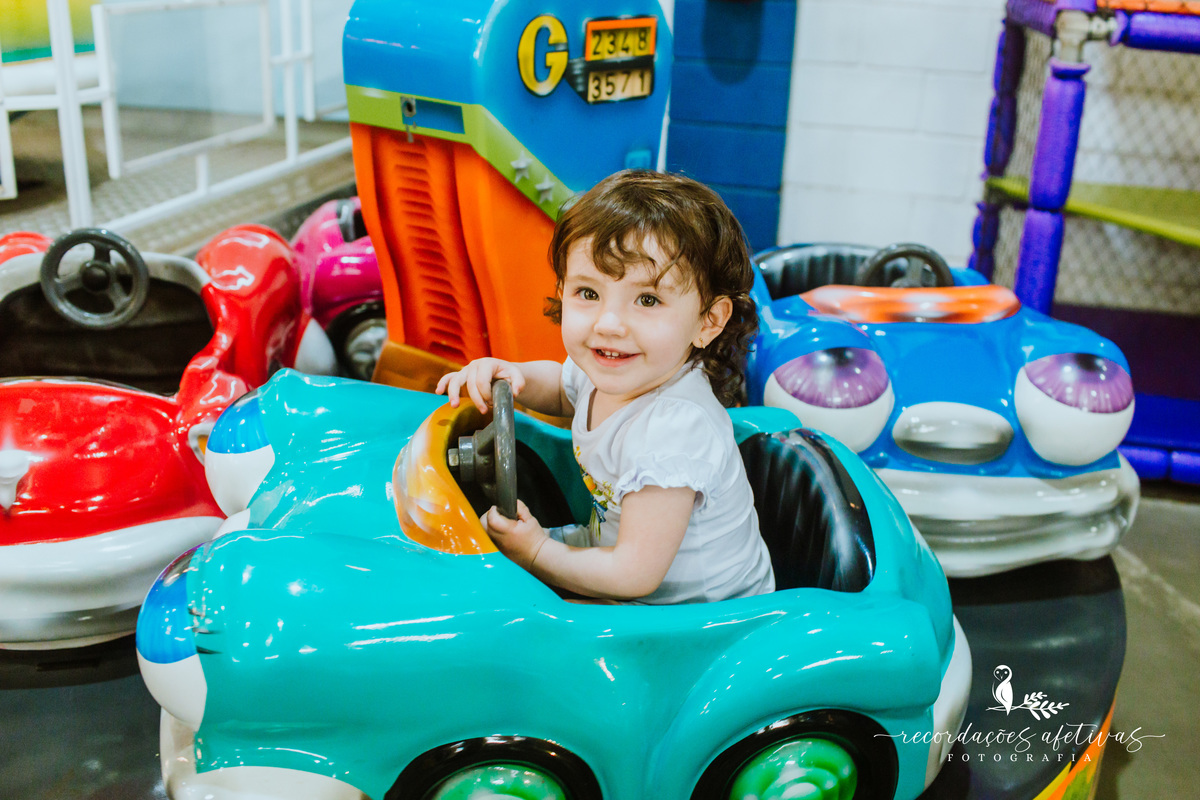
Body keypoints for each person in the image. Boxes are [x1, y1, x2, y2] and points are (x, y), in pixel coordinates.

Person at [436, 170, 774, 604]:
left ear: (708, 321)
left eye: (647, 300)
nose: (608, 325)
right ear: (562, 291)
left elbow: (633, 575)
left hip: (695, 618)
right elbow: (561, 387)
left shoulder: (673, 432)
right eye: (588, 293)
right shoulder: (617, 373)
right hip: (612, 554)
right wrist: (508, 374)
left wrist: (537, 552)